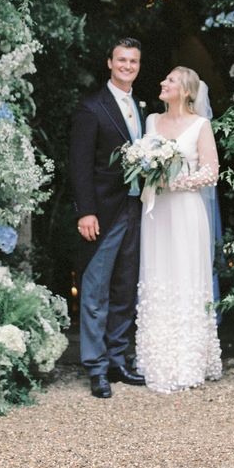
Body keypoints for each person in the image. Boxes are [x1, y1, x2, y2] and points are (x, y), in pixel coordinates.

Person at [136, 66, 223, 393]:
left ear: (186, 91)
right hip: (157, 211)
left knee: (186, 276)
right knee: (158, 275)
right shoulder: (151, 122)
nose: (163, 82)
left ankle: (188, 360)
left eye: (169, 80)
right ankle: (157, 359)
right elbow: (144, 163)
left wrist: (182, 181)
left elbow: (211, 172)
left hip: (186, 209)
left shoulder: (200, 125)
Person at [69, 37, 146, 398]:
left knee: (125, 287)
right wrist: (85, 211)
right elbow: (80, 165)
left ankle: (118, 359)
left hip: (135, 208)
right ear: (109, 63)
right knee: (96, 289)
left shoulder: (141, 107)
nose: (127, 66)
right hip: (102, 210)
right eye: (121, 60)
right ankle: (96, 366)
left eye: (133, 61)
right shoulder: (92, 107)